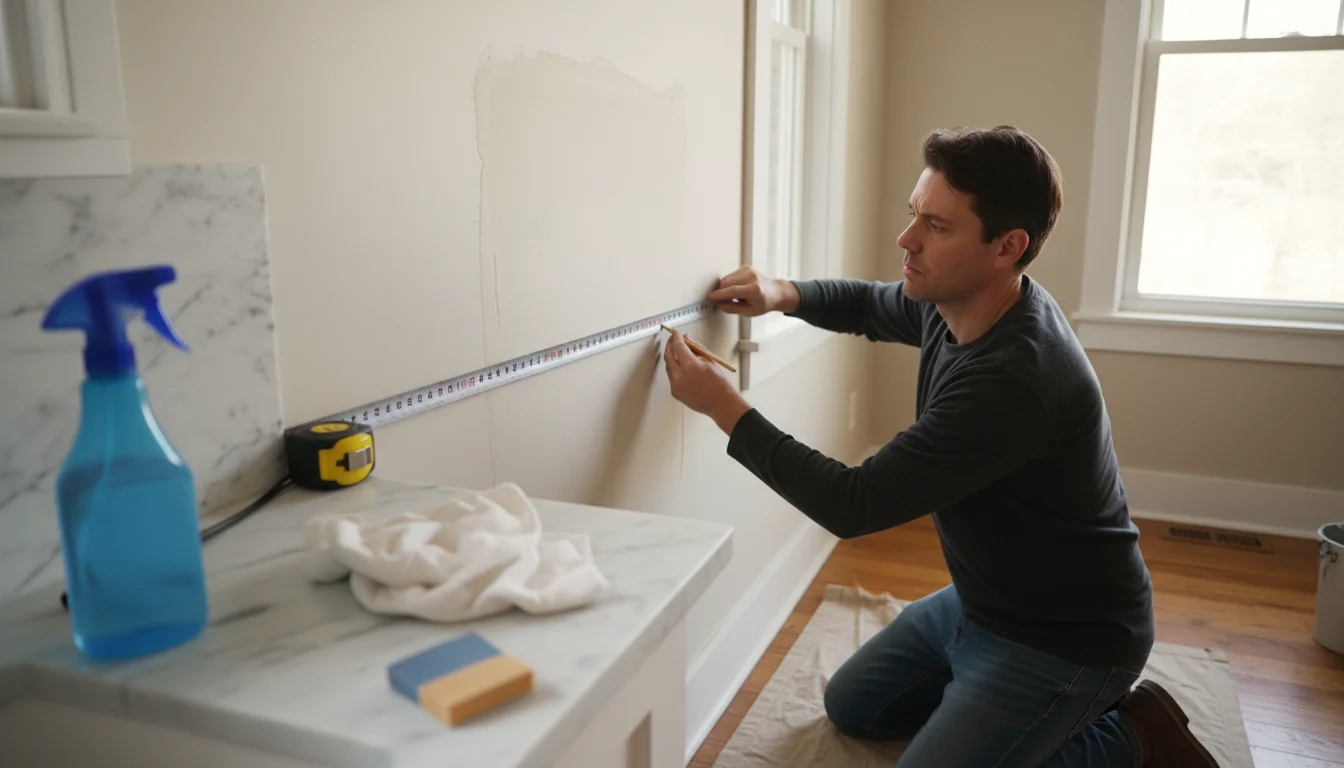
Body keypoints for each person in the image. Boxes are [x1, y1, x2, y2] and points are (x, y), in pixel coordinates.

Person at [662, 126, 1220, 767]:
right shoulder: (958, 300)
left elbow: (854, 503)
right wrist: (780, 292)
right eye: (912, 215)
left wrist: (722, 408)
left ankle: (1135, 736)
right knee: (856, 708)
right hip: (982, 599)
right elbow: (873, 305)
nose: (907, 240)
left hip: (1066, 637)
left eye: (936, 225)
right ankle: (994, 708)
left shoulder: (1015, 379)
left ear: (1006, 247)